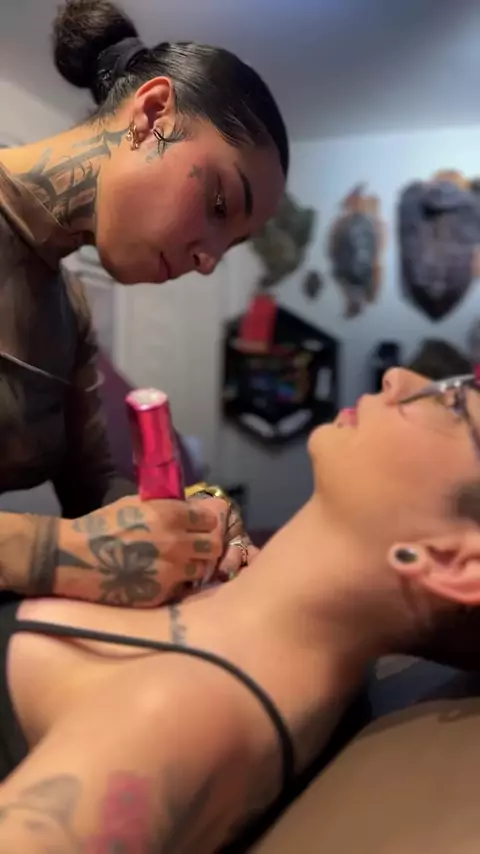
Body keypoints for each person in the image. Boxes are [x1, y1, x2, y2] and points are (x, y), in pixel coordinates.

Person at [0, 366, 479, 852]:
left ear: (455, 564)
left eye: (455, 405)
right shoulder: (284, 630)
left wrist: (46, 550)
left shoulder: (175, 715)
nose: (399, 377)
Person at [0, 0, 287, 605]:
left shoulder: (69, 312)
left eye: (230, 247)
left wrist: (190, 521)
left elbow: (96, 494)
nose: (208, 262)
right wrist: (58, 553)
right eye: (218, 205)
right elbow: (78, 541)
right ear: (153, 114)